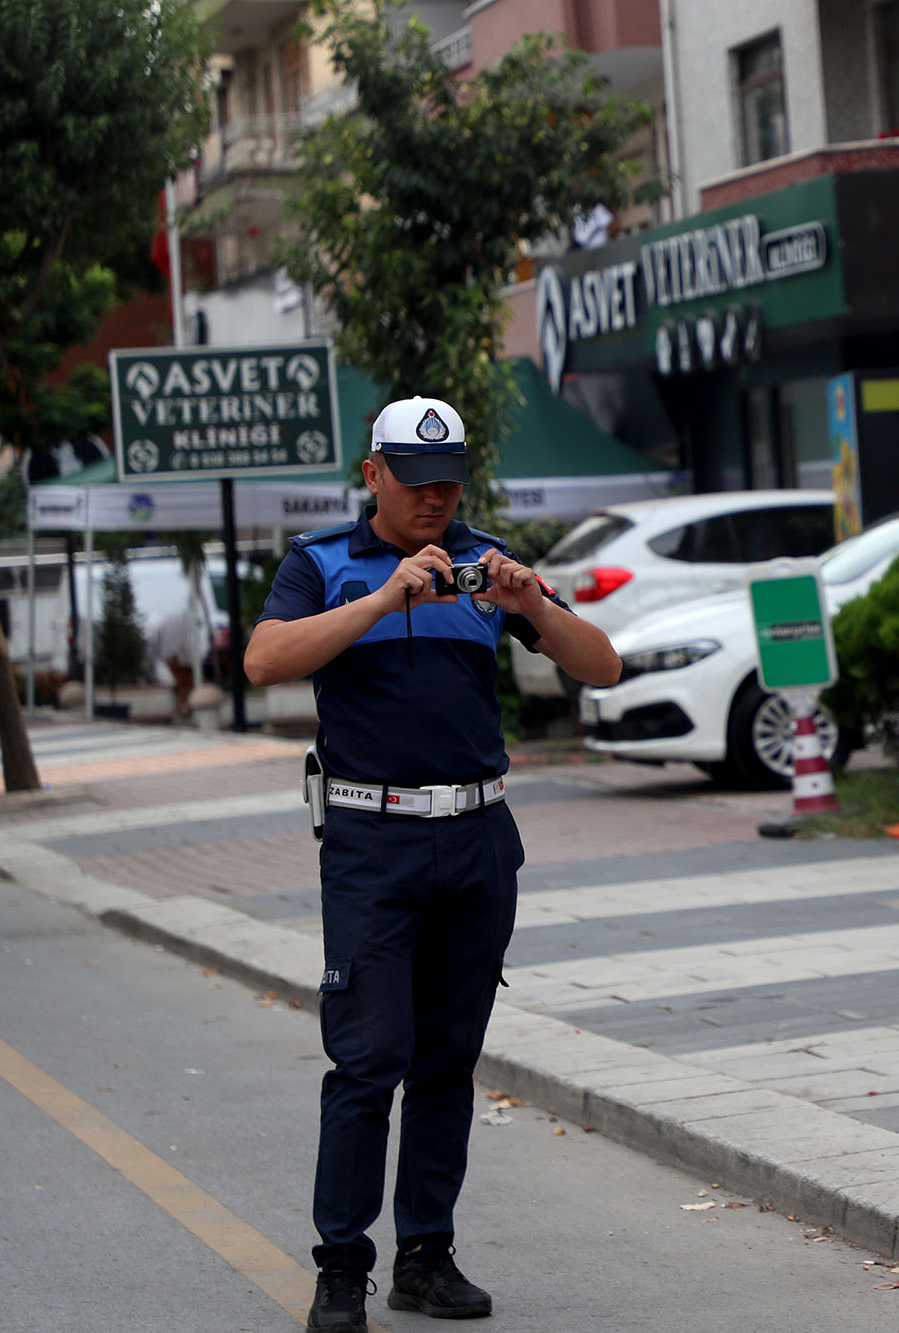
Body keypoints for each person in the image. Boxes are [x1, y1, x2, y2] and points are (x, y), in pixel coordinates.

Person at [245, 396, 620, 1331]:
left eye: (448, 482)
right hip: (374, 842)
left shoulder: (486, 563)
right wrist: (381, 598)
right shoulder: (321, 562)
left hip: (478, 836)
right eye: (415, 483)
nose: (434, 500)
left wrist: (531, 603)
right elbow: (262, 661)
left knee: (448, 1059)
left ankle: (427, 1254)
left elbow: (603, 665)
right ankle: (341, 1269)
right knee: (369, 1060)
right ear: (372, 474)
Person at [146, 604, 207, 722]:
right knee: (185, 685)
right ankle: (184, 710)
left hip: (178, 657)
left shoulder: (175, 626)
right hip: (179, 657)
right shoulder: (179, 625)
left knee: (185, 685)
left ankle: (184, 710)